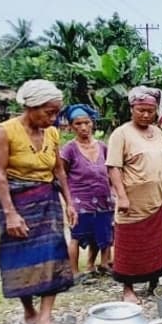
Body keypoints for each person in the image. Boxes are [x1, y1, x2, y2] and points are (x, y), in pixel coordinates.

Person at [0, 79, 76, 324]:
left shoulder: (51, 133)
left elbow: (59, 171)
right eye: (48, 112)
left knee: (54, 256)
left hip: (47, 201)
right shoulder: (4, 131)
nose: (53, 118)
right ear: (31, 107)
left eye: (56, 112)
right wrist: (10, 213)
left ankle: (45, 319)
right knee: (20, 259)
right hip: (17, 202)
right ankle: (29, 313)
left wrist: (70, 202)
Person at [107, 87, 162, 303]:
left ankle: (154, 282)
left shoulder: (159, 133)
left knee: (154, 243)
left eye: (150, 111)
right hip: (132, 200)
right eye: (141, 110)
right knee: (129, 243)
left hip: (156, 198)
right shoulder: (121, 134)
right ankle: (128, 289)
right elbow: (114, 167)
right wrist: (121, 196)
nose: (145, 115)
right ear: (132, 108)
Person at [59, 104, 114, 281]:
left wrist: (114, 192)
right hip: (80, 200)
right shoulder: (69, 149)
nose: (83, 127)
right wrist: (69, 202)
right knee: (77, 235)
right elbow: (61, 175)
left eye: (86, 122)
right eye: (78, 124)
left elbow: (111, 171)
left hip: (103, 197)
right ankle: (74, 272)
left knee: (104, 231)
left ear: (92, 123)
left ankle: (103, 263)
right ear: (71, 126)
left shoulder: (103, 147)